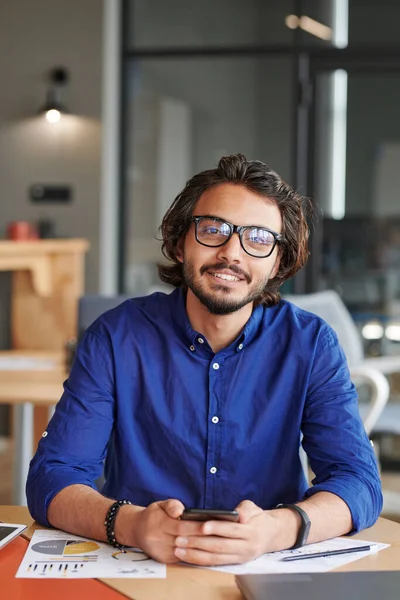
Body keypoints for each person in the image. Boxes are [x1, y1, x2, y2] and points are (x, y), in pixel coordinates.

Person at [27, 154, 382, 567]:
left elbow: (358, 483)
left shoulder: (312, 343)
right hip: (139, 567)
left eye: (259, 239)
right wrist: (133, 525)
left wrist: (276, 529)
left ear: (278, 262)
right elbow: (53, 478)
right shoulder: (115, 337)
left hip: (267, 572)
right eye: (213, 229)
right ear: (180, 242)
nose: (232, 253)